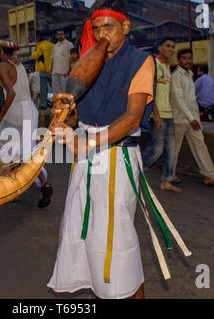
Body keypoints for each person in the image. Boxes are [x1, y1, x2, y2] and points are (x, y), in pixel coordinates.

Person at [49, 0, 159, 299]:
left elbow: (133, 117)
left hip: (117, 157)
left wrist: (87, 142)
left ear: (126, 26)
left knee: (115, 242)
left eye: (108, 27)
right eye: (96, 28)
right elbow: (78, 117)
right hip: (86, 158)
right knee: (87, 240)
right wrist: (65, 117)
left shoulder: (141, 61)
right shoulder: (87, 61)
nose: (101, 35)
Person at [0, 41, 53, 209]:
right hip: (29, 109)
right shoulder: (18, 65)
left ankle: (12, 190)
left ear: (0, 51)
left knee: (6, 149)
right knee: (25, 151)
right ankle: (43, 183)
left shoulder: (5, 66)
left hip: (17, 109)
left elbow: (10, 94)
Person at [171, 49, 214, 186]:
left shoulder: (190, 75)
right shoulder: (176, 76)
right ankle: (170, 175)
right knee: (175, 149)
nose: (187, 61)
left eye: (189, 58)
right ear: (179, 60)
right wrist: (191, 118)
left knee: (200, 145)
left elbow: (192, 100)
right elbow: (179, 100)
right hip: (180, 119)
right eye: (184, 58)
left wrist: (196, 118)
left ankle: (210, 175)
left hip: (193, 119)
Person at [142, 37, 181, 193]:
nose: (171, 49)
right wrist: (155, 114)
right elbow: (150, 92)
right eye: (167, 46)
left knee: (170, 149)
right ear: (160, 47)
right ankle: (137, 167)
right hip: (158, 114)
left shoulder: (168, 67)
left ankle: (166, 180)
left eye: (173, 47)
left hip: (169, 114)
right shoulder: (154, 65)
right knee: (157, 149)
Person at [32, 35, 54, 109]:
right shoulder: (52, 45)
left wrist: (35, 50)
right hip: (52, 69)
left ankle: (43, 104)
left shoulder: (40, 46)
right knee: (53, 88)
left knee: (43, 88)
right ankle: (57, 102)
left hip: (43, 70)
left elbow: (35, 56)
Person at [51, 29, 74, 95]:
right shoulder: (55, 46)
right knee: (56, 92)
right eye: (58, 34)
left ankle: (66, 105)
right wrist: (50, 71)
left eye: (61, 34)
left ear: (64, 35)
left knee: (65, 91)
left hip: (64, 72)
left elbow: (71, 59)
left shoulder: (69, 45)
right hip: (55, 72)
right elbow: (53, 59)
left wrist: (69, 71)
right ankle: (58, 105)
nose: (60, 36)